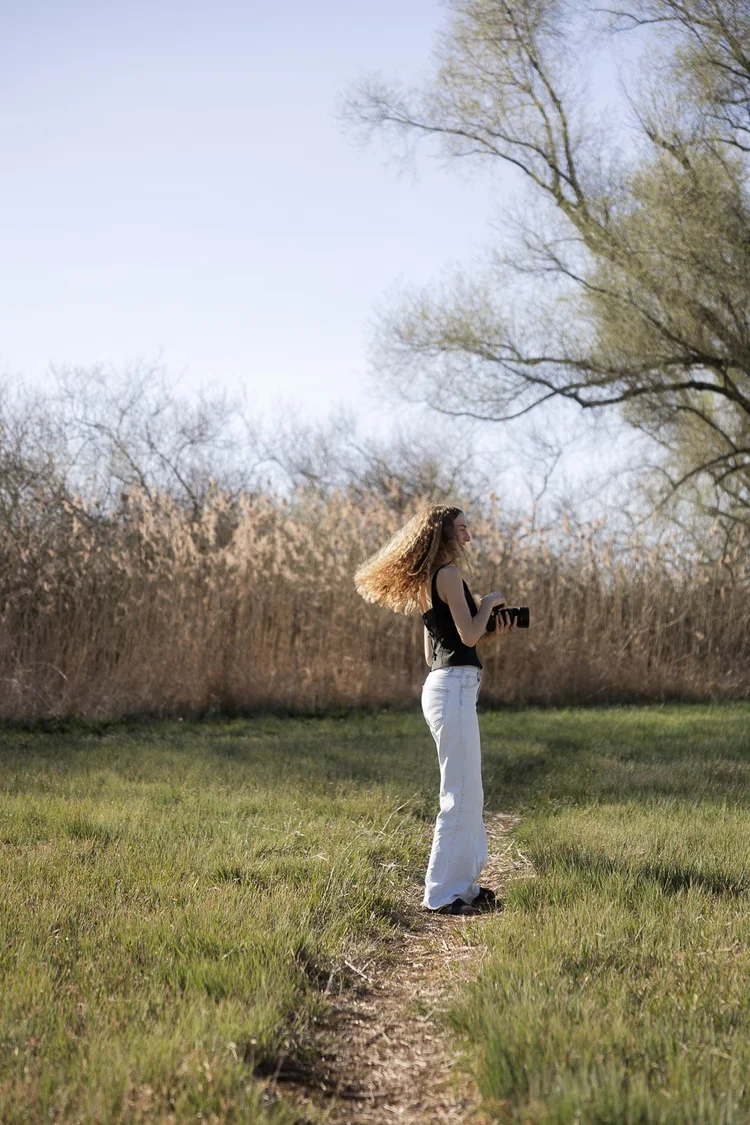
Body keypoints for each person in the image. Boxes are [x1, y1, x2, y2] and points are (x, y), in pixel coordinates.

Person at [353, 503, 516, 917]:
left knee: (468, 791)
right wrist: (490, 602)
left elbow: (437, 650)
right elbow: (469, 633)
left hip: (445, 687)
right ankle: (441, 895)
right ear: (443, 534)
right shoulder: (449, 575)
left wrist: (485, 623)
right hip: (454, 691)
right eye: (461, 529)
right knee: (459, 793)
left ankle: (465, 887)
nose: (467, 536)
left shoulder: (428, 581)